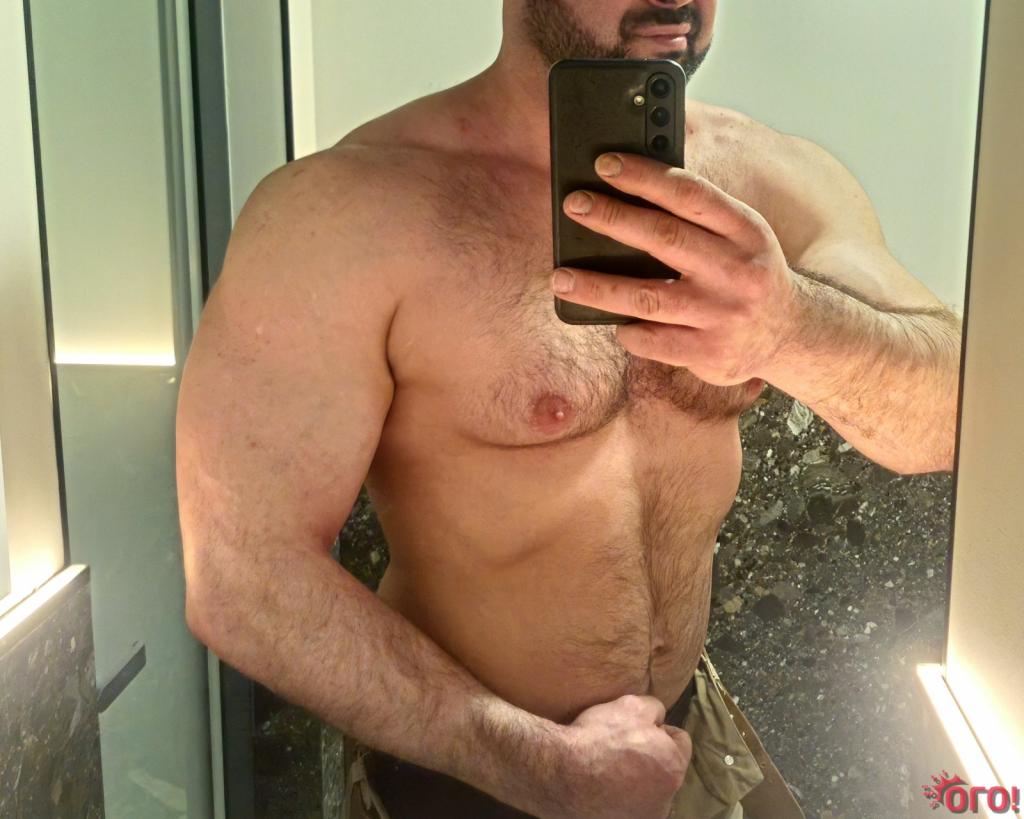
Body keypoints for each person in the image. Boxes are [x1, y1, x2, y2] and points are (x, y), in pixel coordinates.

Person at [175, 1, 961, 817]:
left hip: (688, 739)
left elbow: (957, 423)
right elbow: (241, 574)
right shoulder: (345, 210)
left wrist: (791, 329)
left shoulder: (768, 183)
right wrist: (536, 764)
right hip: (466, 772)